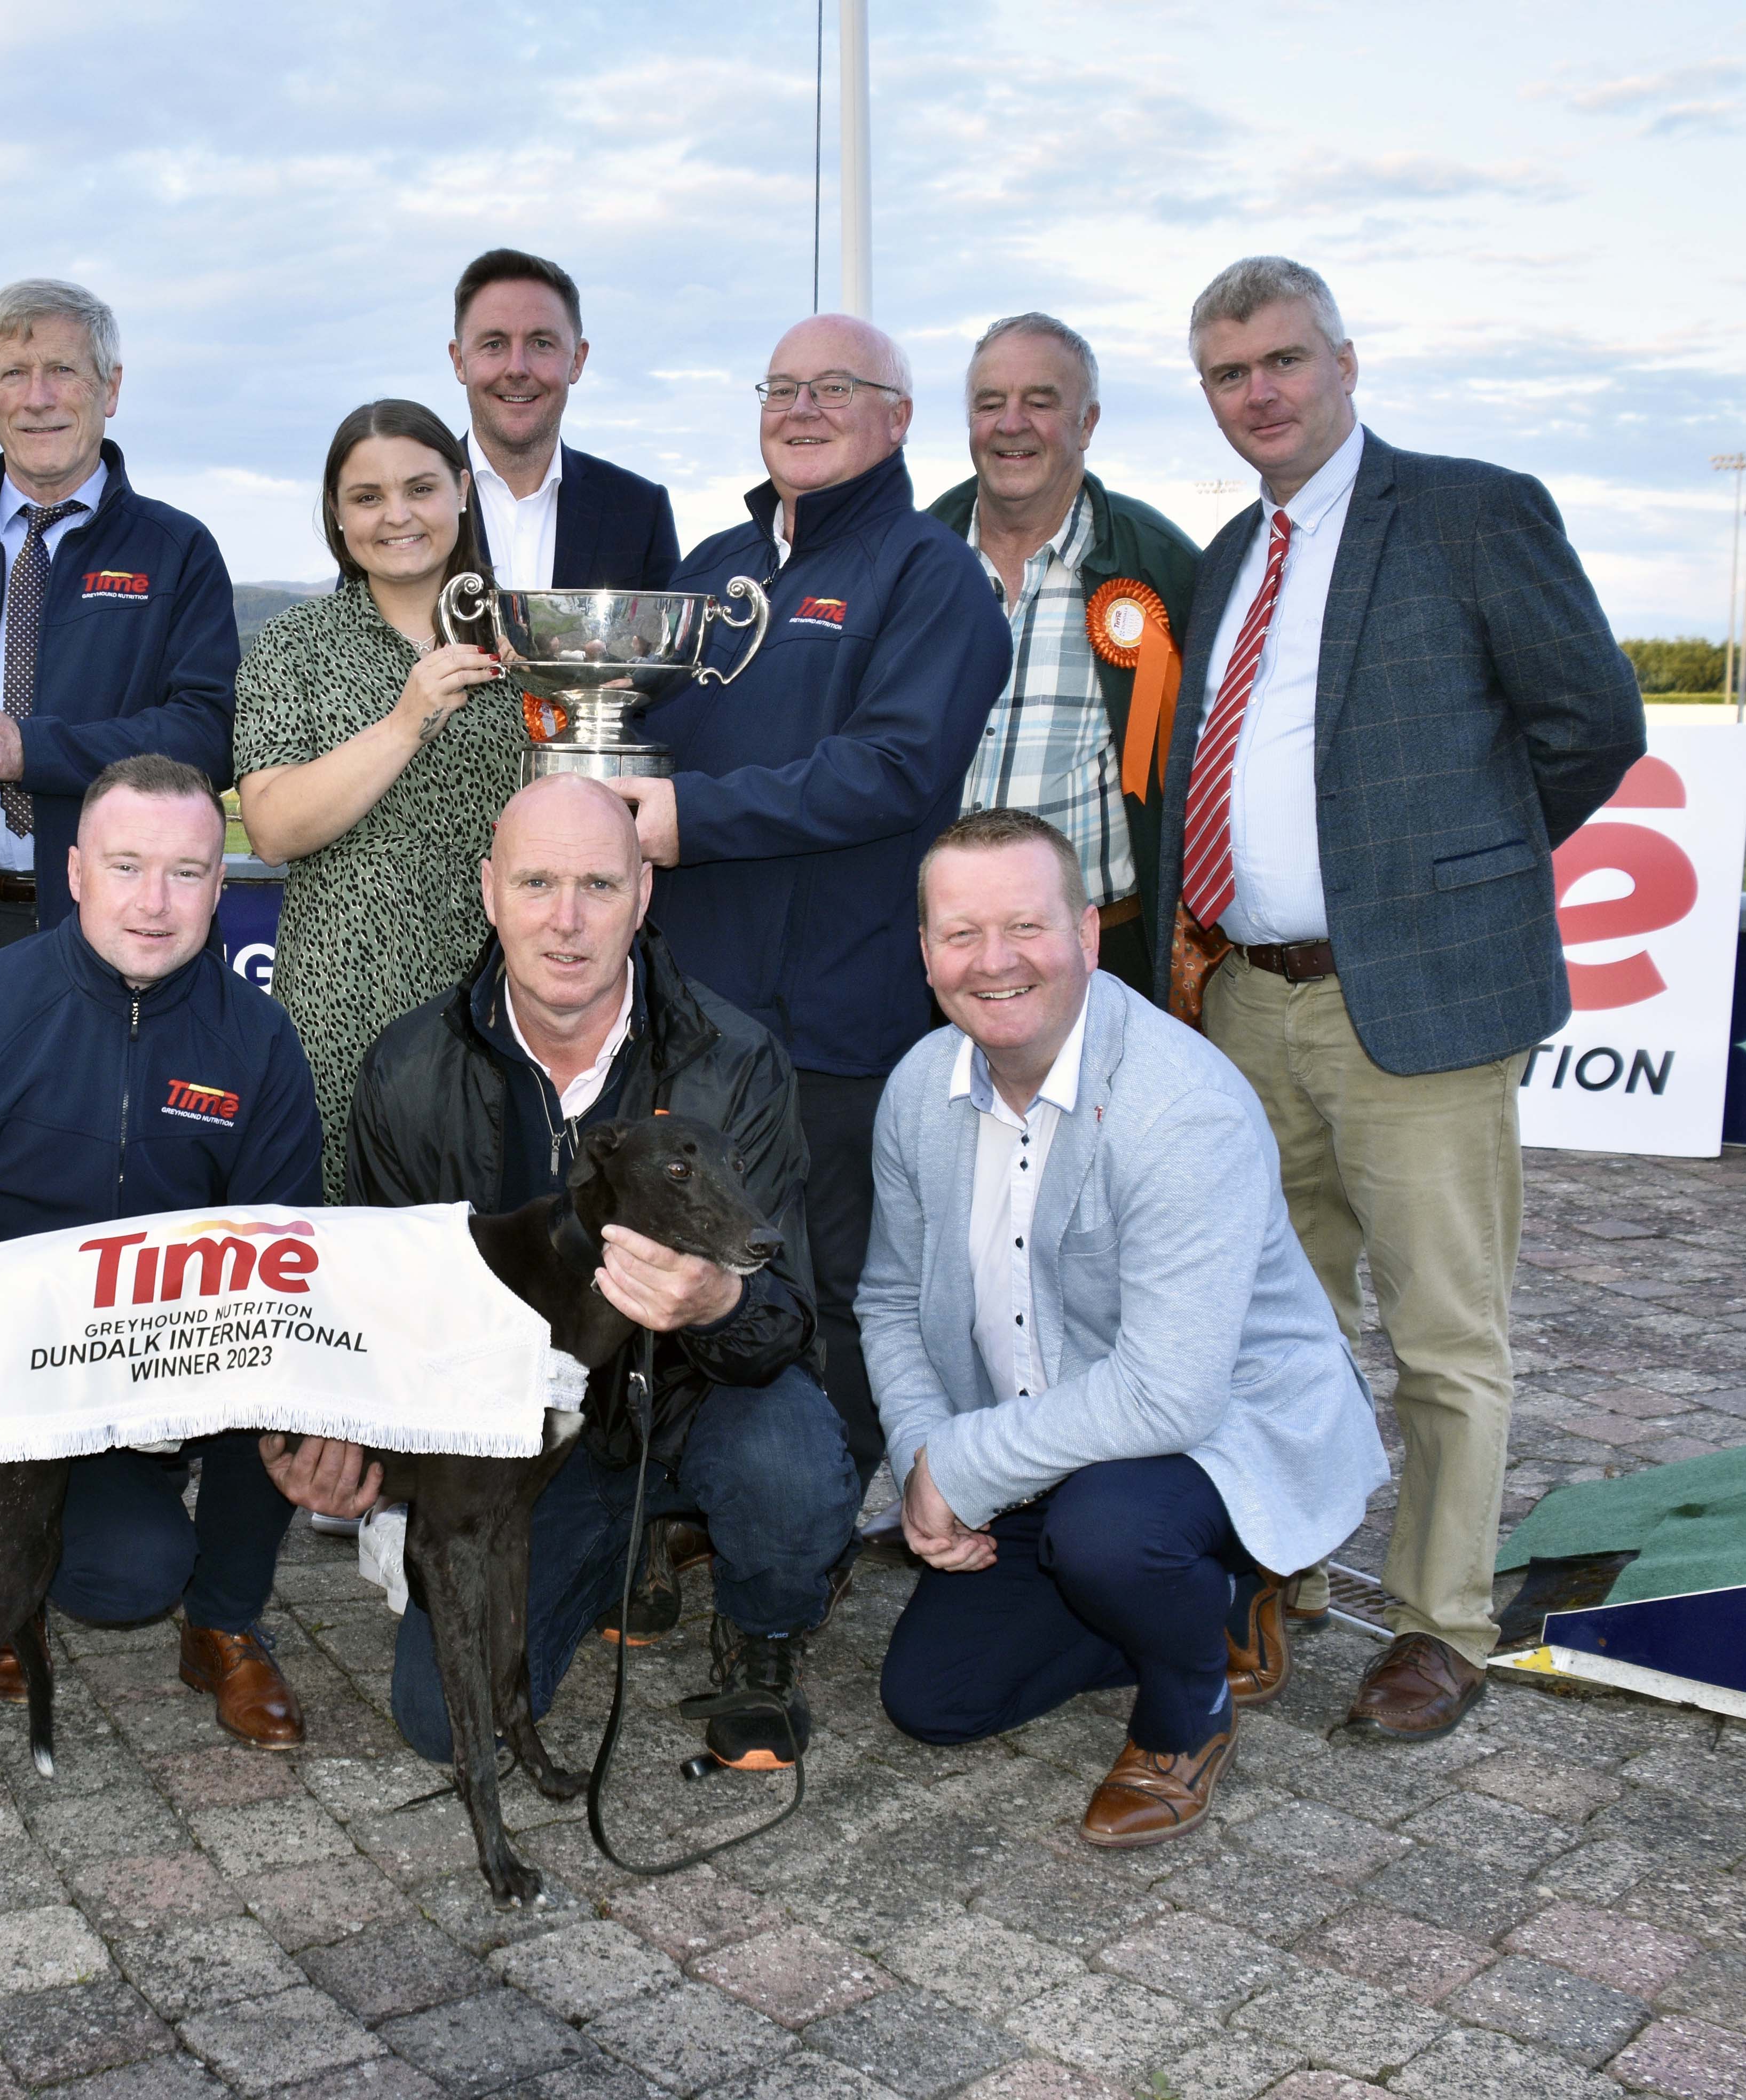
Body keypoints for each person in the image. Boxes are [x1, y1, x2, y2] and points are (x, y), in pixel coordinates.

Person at [1153, 257, 1644, 1740]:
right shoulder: (1221, 551)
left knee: (1442, 1329)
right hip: (1244, 995)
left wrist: (1445, 889)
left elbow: (1588, 723)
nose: (1259, 392)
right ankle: (1282, 1573)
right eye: (1229, 373)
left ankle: (1439, 1622)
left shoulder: (1465, 509)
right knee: (1268, 1315)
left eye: (1282, 361)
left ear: (1344, 363)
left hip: (1409, 998)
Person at [267, 774, 857, 1773]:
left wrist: (716, 1302)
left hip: (687, 1400)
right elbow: (375, 1317)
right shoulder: (408, 1069)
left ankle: (761, 1637)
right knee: (438, 1724)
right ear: (488, 892)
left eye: (597, 884)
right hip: (509, 1434)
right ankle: (610, 1560)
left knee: (792, 1463)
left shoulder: (734, 1060)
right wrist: (338, 1445)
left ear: (643, 896)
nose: (567, 920)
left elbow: (789, 1316)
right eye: (537, 883)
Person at [862, 810, 1388, 1845]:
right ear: (922, 950)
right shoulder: (917, 1086)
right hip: (1044, 1440)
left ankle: (1183, 1705)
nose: (992, 960)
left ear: (1087, 933)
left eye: (1024, 925)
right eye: (958, 932)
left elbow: (1169, 1394)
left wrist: (959, 1462)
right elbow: (887, 1301)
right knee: (936, 1699)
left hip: (1216, 1432)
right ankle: (1213, 1598)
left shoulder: (1172, 1102)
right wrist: (925, 1458)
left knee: (1108, 1530)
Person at [0, 756, 325, 1745]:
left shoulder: (258, 1040)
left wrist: (189, 1375)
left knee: (289, 1367)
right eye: (125, 867)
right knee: (123, 1576)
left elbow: (285, 1253)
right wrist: (6, 1353)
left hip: (187, 1373)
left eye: (186, 873)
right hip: (16, 1377)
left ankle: (223, 1627)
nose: (154, 903)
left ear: (219, 885)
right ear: (73, 873)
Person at [609, 314, 1011, 1476]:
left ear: (896, 416)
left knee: (822, 1276)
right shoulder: (711, 571)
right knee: (672, 1259)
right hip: (685, 1005)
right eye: (780, 386)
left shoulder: (930, 576)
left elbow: (894, 766)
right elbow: (633, 724)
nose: (800, 408)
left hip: (834, 1014)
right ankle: (687, 1507)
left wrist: (691, 818)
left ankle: (811, 1532)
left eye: (834, 387)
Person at [0, 279, 239, 1022]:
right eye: (14, 373)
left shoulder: (178, 552)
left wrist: (26, 749)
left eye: (63, 370)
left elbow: (207, 738)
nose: (38, 396)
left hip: (121, 942)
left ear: (110, 389)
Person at [234, 400, 520, 1198]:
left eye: (420, 488)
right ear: (335, 513)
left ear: (462, 491)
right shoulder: (294, 644)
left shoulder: (524, 638)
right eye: (365, 497)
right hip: (338, 1013)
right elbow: (270, 828)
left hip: (505, 1004)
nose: (396, 515)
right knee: (345, 1254)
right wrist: (406, 720)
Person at [928, 314, 1200, 994]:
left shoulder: (1161, 565)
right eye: (989, 403)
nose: (1009, 423)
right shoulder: (913, 557)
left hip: (1102, 958)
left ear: (1087, 424)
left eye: (1040, 402)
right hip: (930, 962)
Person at [448, 248, 680, 591]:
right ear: (460, 362)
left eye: (541, 344)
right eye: (494, 344)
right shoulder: (405, 504)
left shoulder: (640, 512)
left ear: (577, 361)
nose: (517, 369)